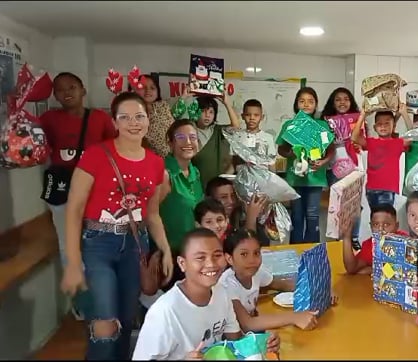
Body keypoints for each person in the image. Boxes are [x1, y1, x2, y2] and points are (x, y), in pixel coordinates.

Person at [60, 91, 174, 360]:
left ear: (148, 120)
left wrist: (166, 250)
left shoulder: (156, 163)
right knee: (105, 326)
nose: (133, 123)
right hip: (98, 244)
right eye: (125, 117)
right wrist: (74, 264)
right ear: (115, 122)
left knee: (125, 321)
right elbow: (74, 211)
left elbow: (153, 214)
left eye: (139, 116)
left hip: (135, 246)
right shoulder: (95, 155)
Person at [132, 228, 280, 360]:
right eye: (200, 258)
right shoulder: (164, 312)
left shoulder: (221, 292)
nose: (211, 264)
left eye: (217, 255)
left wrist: (263, 342)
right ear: (182, 263)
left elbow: (236, 342)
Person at [39, 72, 117, 319]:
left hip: (95, 193)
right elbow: (38, 147)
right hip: (62, 193)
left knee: (97, 244)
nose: (67, 92)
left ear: (83, 90)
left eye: (72, 86)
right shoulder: (48, 119)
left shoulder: (99, 118)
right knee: (68, 247)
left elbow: (115, 149)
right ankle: (83, 303)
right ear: (54, 95)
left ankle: (104, 298)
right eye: (60, 89)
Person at [220, 229, 320, 332]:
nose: (252, 260)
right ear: (229, 258)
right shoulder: (226, 284)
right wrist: (294, 317)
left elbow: (283, 284)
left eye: (256, 253)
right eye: (244, 254)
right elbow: (248, 324)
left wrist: (318, 288)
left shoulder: (256, 272)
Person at [276, 87, 335, 243]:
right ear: (296, 104)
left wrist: (323, 162)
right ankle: (295, 252)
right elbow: (281, 149)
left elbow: (330, 150)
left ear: (316, 105)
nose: (306, 105)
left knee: (312, 215)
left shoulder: (322, 125)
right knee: (296, 216)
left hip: (315, 178)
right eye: (302, 101)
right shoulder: (290, 125)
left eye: (310, 101)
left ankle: (312, 252)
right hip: (294, 178)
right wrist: (293, 154)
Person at [158, 119, 205, 290]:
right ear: (170, 143)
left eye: (193, 137)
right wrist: (163, 252)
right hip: (171, 254)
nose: (188, 142)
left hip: (194, 253)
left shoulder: (195, 172)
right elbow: (150, 214)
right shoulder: (165, 173)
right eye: (180, 137)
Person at [320, 87, 363, 247]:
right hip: (334, 169)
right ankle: (339, 240)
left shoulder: (358, 120)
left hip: (354, 167)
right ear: (332, 102)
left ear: (351, 102)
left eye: (346, 99)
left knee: (354, 203)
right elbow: (323, 146)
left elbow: (364, 141)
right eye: (338, 99)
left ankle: (354, 238)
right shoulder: (326, 122)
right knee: (337, 204)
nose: (342, 102)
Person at [351, 109, 410, 208]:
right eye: (379, 124)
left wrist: (404, 113)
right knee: (375, 219)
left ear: (394, 126)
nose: (383, 126)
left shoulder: (397, 143)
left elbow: (412, 136)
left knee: (385, 218)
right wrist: (362, 116)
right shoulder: (371, 142)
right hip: (371, 189)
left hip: (389, 189)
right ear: (374, 127)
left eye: (387, 123)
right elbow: (354, 137)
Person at [341, 203, 409, 275]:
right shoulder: (369, 245)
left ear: (396, 226)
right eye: (376, 225)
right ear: (371, 226)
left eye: (386, 224)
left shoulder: (406, 240)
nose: (380, 229)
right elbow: (351, 268)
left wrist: (373, 270)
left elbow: (409, 271)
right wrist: (346, 237)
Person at [191, 94, 241, 189]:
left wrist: (227, 104)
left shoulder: (219, 130)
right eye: (203, 111)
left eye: (211, 112)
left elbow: (236, 127)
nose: (207, 115)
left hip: (217, 185)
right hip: (197, 184)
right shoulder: (190, 130)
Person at [205, 177, 270, 246]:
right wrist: (251, 217)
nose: (231, 201)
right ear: (211, 199)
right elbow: (247, 247)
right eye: (223, 197)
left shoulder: (237, 217)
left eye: (233, 196)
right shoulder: (212, 226)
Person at [229, 99, 277, 173]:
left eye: (256, 115)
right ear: (242, 116)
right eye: (248, 115)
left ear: (262, 117)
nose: (252, 118)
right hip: (242, 179)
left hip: (262, 181)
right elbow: (233, 163)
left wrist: (274, 183)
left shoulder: (268, 138)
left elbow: (271, 164)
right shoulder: (237, 137)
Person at [132, 74, 175, 157]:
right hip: (150, 159)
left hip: (173, 156)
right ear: (134, 89)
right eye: (143, 87)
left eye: (152, 88)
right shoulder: (131, 113)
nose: (148, 90)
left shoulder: (164, 105)